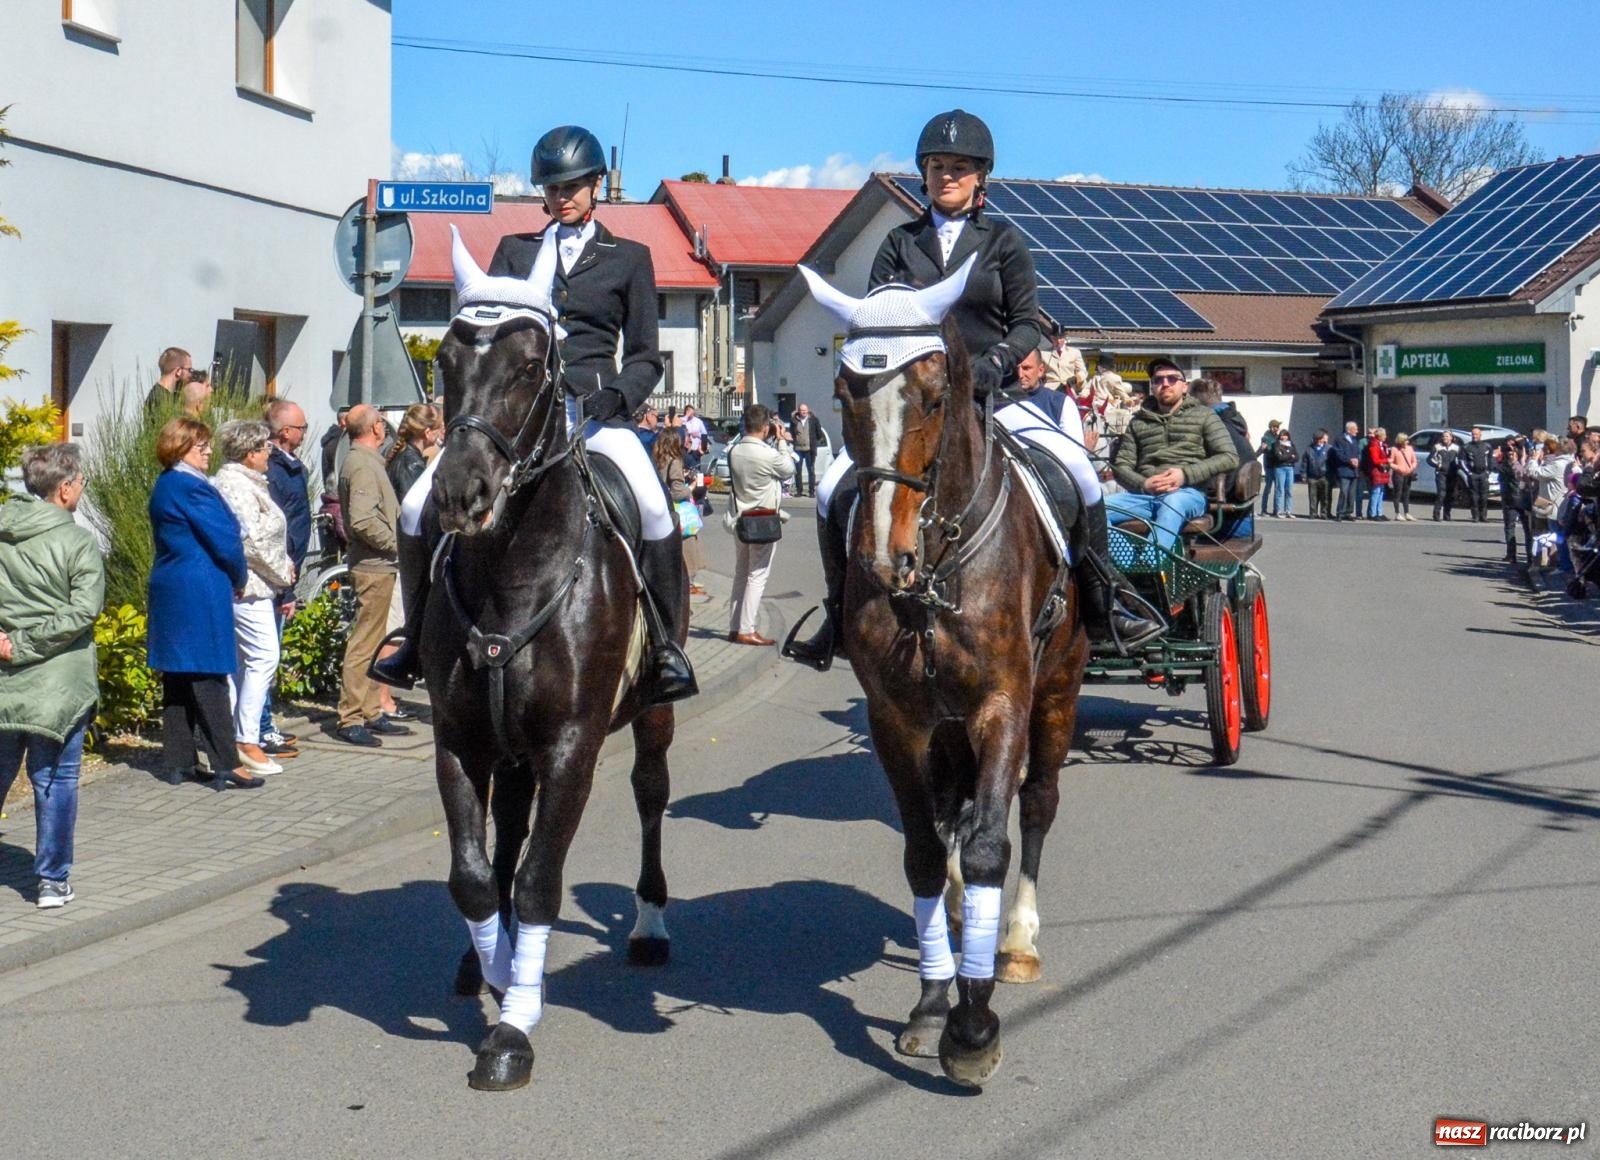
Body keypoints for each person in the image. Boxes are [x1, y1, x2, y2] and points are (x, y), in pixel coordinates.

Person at [789, 109, 1158, 669]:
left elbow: (1026, 322)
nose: (948, 176)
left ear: (980, 176)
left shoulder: (1003, 241)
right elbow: (879, 321)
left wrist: (995, 363)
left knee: (1078, 474)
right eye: (938, 166)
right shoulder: (898, 243)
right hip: (917, 407)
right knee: (828, 490)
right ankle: (838, 614)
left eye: (960, 167)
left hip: (996, 398)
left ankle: (1105, 603)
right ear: (924, 173)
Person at [375, 125, 696, 707]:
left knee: (654, 507)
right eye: (551, 188)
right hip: (517, 418)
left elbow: (646, 355)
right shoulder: (514, 252)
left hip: (593, 415)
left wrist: (615, 397)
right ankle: (415, 637)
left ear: (596, 186)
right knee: (417, 505)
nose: (561, 196)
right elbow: (492, 337)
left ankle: (667, 647)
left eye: (572, 186)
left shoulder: (629, 259)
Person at [0, 444, 105, 909]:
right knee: (55, 779)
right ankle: (52, 880)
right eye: (80, 481)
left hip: (5, 673)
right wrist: (24, 644)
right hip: (59, 679)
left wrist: (7, 642)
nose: (82, 488)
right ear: (64, 489)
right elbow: (83, 610)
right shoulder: (76, 542)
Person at [147, 417, 263, 790]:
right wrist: (240, 576)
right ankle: (227, 762)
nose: (209, 451)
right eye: (202, 446)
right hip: (199, 586)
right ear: (181, 448)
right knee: (209, 674)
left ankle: (179, 761)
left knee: (178, 676)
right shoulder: (191, 486)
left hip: (171, 583)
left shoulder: (166, 483)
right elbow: (225, 537)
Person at [211, 420, 297, 775]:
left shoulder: (247, 481)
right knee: (263, 656)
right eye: (264, 449)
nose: (269, 455)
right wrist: (282, 573)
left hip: (256, 584)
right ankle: (246, 739)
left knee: (243, 663)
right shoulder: (234, 485)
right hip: (250, 587)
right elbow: (251, 541)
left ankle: (234, 739)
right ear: (249, 454)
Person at [1106, 358, 1241, 557]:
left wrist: (1184, 475)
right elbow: (1121, 465)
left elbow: (1229, 457)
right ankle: (1128, 561)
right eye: (1158, 380)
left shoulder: (1205, 416)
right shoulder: (1138, 422)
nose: (1165, 384)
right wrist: (1143, 484)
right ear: (1152, 387)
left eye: (1172, 378)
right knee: (1095, 509)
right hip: (1144, 496)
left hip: (1187, 494)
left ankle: (1152, 563)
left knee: (1173, 502)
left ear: (1184, 386)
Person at [336, 405, 410, 747]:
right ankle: (351, 716)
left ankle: (369, 710)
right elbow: (363, 520)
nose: (385, 426)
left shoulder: (368, 461)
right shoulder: (362, 464)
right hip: (373, 567)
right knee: (365, 642)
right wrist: (397, 544)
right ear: (375, 429)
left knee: (376, 640)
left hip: (380, 565)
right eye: (381, 421)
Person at [259, 399, 311, 757]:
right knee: (264, 658)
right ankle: (260, 729)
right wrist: (286, 588)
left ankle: (263, 725)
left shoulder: (289, 466)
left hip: (285, 572)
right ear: (285, 431)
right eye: (301, 428)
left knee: (269, 656)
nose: (305, 433)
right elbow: (276, 532)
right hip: (275, 577)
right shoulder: (274, 471)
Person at [726, 403, 793, 645]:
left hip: (741, 519)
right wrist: (782, 440)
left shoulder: (734, 451)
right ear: (765, 427)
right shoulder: (767, 454)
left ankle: (735, 626)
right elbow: (788, 469)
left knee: (741, 573)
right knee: (757, 576)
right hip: (762, 520)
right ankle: (747, 628)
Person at [1188, 376, 1255, 537]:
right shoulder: (1235, 422)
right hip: (1244, 516)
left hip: (1222, 519)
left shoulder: (1214, 429)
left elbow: (1212, 484)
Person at [652, 428, 707, 596]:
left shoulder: (657, 459)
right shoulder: (675, 460)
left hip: (661, 508)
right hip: (678, 511)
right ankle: (684, 587)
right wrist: (691, 487)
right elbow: (677, 492)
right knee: (686, 550)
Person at [385, 402, 442, 500]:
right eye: (438, 428)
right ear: (428, 432)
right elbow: (415, 503)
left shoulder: (406, 455)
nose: (440, 432)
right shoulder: (412, 464)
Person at [1460, 426, 1495, 522]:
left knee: (1484, 497)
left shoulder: (1487, 446)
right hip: (1473, 474)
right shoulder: (1466, 447)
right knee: (1474, 497)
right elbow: (1462, 461)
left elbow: (1491, 459)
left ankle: (1483, 516)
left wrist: (1488, 471)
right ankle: (1475, 516)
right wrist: (1469, 473)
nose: (1474, 436)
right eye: (1473, 434)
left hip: (1484, 474)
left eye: (1476, 434)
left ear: (1480, 435)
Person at [790, 402, 824, 498]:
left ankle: (811, 491)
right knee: (797, 471)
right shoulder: (794, 421)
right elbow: (791, 433)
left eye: (805, 410)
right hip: (798, 449)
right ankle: (799, 491)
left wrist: (814, 441)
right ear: (799, 411)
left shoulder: (814, 420)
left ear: (808, 410)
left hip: (810, 449)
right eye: (801, 410)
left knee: (811, 470)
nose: (803, 412)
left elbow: (819, 433)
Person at [1331, 421, 1363, 521]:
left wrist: (1357, 460)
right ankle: (1340, 513)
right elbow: (1338, 454)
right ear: (1349, 430)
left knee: (1351, 493)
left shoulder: (1354, 440)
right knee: (1344, 492)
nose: (1357, 431)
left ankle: (1348, 512)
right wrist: (1349, 460)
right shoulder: (1339, 439)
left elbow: (1358, 453)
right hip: (1344, 470)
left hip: (1354, 471)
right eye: (1355, 429)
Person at [1429, 429, 1461, 521]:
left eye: (1447, 436)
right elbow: (1430, 459)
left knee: (1451, 494)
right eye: (1443, 436)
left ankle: (1447, 515)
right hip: (1441, 473)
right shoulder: (1437, 447)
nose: (1445, 438)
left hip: (1452, 474)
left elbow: (1460, 460)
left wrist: (1458, 466)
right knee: (1441, 493)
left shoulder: (1456, 448)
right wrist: (1438, 465)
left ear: (1451, 437)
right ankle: (1436, 514)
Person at [1301, 429, 1333, 519]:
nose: (1319, 441)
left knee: (1325, 497)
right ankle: (1313, 513)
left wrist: (1333, 476)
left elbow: (1333, 463)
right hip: (1312, 477)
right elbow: (1305, 463)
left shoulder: (1329, 448)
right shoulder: (1309, 449)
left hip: (1325, 476)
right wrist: (1303, 475)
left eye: (1320, 439)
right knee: (1313, 497)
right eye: (1317, 439)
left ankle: (1325, 513)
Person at [1389, 432, 1419, 521]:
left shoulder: (1410, 448)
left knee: (1406, 494)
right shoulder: (1394, 449)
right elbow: (1390, 462)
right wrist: (1398, 468)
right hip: (1398, 474)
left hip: (1408, 474)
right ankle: (1397, 513)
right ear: (1401, 441)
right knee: (1398, 494)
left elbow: (1414, 460)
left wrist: (1412, 467)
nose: (1407, 442)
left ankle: (1407, 513)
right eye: (1405, 440)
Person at [1269, 426, 1298, 518]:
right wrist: (1290, 455)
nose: (1284, 437)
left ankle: (1288, 511)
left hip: (1290, 468)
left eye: (1285, 435)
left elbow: (1297, 457)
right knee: (1280, 490)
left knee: (1289, 490)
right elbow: (1279, 458)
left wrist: (1286, 455)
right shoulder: (1276, 444)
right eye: (1282, 435)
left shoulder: (1291, 444)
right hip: (1280, 468)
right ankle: (1278, 511)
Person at [1256, 420, 1283, 516]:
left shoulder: (1278, 436)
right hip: (1269, 464)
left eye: (1278, 427)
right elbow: (1262, 448)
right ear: (1271, 427)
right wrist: (1254, 456)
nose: (1277, 428)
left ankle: (1276, 510)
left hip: (1277, 464)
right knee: (1268, 487)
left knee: (1278, 488)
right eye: (1276, 426)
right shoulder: (1266, 437)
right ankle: (1264, 510)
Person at [1365, 427, 1392, 520]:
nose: (1385, 437)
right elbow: (1375, 460)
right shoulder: (1374, 445)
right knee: (1376, 492)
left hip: (1382, 470)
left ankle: (1379, 512)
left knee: (1381, 492)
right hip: (1376, 470)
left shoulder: (1382, 445)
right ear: (1380, 435)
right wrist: (1386, 460)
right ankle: (1373, 513)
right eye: (1384, 435)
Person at [680, 404, 709, 472]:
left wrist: (698, 434)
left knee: (695, 470)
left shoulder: (698, 422)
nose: (690, 413)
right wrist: (686, 416)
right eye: (688, 411)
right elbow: (679, 426)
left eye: (691, 411)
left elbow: (704, 434)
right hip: (685, 450)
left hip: (695, 450)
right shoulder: (682, 420)